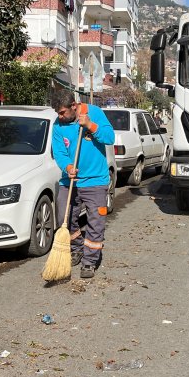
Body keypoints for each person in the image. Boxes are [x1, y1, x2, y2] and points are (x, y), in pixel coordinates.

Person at [50, 90, 115, 278]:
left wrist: (90, 126)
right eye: (57, 113)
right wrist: (68, 167)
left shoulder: (94, 112)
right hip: (70, 180)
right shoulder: (58, 125)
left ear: (73, 106)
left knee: (96, 221)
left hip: (95, 181)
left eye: (62, 112)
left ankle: (89, 261)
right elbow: (59, 152)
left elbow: (109, 138)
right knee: (65, 217)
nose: (60, 116)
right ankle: (77, 248)